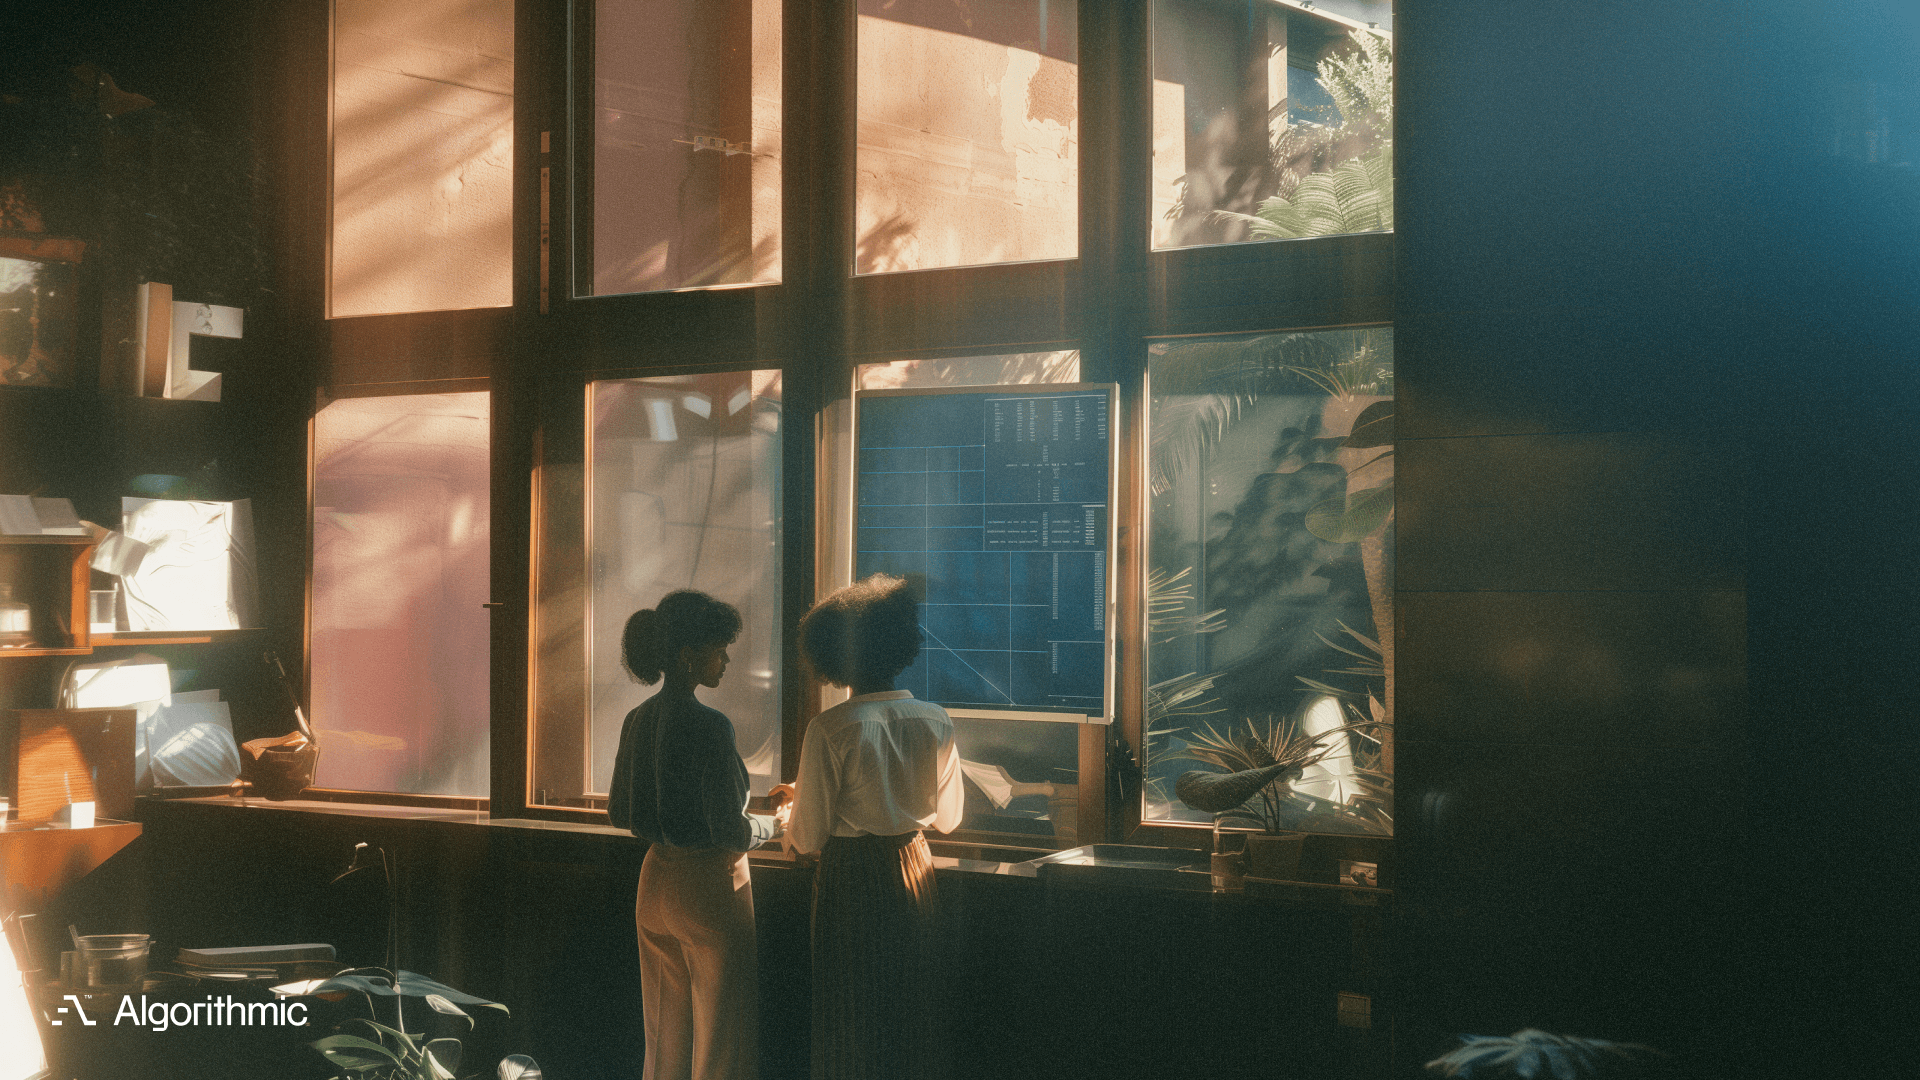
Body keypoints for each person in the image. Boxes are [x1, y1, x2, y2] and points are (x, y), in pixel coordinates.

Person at [787, 574, 964, 1080]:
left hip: (851, 879)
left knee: (852, 1015)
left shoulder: (830, 728)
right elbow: (949, 820)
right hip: (914, 868)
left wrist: (791, 815)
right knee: (914, 1010)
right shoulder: (936, 720)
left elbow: (809, 835)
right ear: (899, 645)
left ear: (834, 657)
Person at [608, 590, 788, 1080]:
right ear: (689, 657)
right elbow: (731, 829)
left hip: (654, 882)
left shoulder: (637, 719)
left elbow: (618, 809)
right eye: (718, 648)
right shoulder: (711, 726)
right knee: (720, 1044)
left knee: (664, 1038)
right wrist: (779, 822)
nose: (726, 658)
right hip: (710, 888)